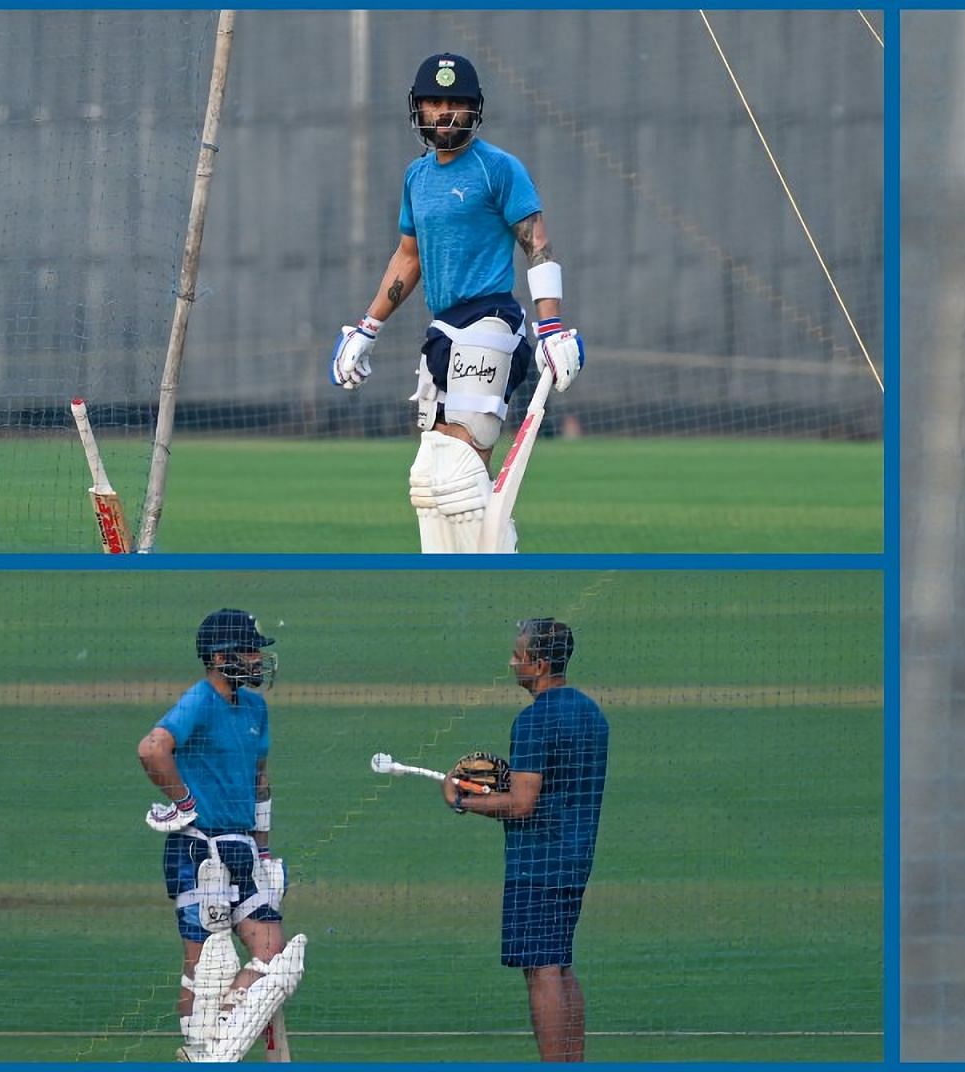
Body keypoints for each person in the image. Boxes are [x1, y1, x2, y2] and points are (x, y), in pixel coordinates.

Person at [330, 52, 586, 553]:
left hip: (491, 320)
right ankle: (449, 583)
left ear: (474, 110)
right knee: (430, 482)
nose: (444, 112)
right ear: (417, 109)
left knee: (459, 476)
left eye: (456, 103)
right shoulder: (416, 177)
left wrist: (551, 327)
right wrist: (367, 328)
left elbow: (537, 243)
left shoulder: (498, 169)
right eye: (434, 102)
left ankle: (502, 573)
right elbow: (409, 256)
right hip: (442, 330)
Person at [138, 608, 305, 1061]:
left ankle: (219, 1043)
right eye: (250, 651)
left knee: (277, 955)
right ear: (220, 656)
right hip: (199, 850)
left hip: (245, 850)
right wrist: (184, 803)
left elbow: (259, 780)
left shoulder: (255, 707)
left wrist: (265, 853)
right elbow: (153, 749)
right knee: (204, 965)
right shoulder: (200, 700)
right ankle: (199, 1050)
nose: (258, 660)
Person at [443, 617, 609, 1061]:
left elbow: (521, 803)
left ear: (537, 664)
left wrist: (462, 799)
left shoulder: (534, 720)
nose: (512, 662)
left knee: (542, 971)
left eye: (518, 655)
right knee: (560, 966)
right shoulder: (591, 712)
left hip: (537, 863)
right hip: (576, 857)